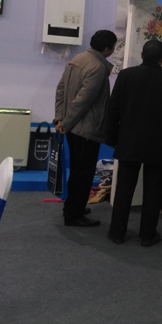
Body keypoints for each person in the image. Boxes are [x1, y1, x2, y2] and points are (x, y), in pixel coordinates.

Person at [107, 40, 162, 246]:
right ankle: (148, 235)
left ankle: (117, 232)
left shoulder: (125, 76)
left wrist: (112, 139)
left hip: (129, 141)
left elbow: (113, 110)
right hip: (159, 145)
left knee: (124, 189)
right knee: (153, 191)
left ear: (141, 55)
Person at [54, 29, 117, 228]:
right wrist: (66, 123)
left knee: (77, 171)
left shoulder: (77, 60)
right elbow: (82, 101)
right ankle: (74, 215)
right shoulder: (97, 67)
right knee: (83, 174)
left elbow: (60, 90)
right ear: (107, 48)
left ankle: (73, 207)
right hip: (86, 129)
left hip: (73, 128)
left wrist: (60, 119)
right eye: (113, 47)